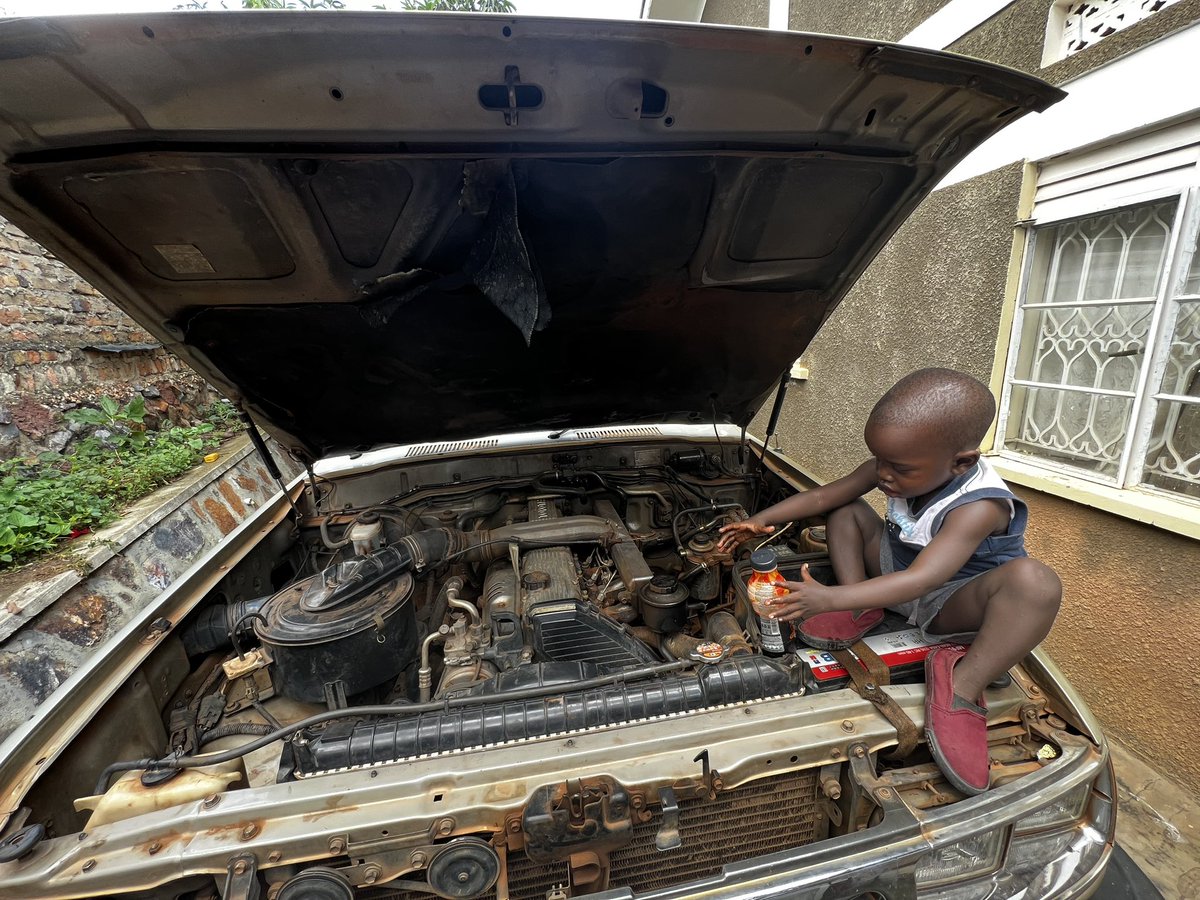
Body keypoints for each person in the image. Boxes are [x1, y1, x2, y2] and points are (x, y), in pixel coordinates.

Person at [717, 368, 1061, 794]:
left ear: (962, 462)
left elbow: (923, 580)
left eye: (897, 467)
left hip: (949, 602)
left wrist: (828, 598)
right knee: (845, 510)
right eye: (879, 459)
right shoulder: (906, 466)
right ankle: (861, 608)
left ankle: (962, 687)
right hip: (897, 576)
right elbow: (826, 496)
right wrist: (759, 521)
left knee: (1036, 582)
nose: (883, 475)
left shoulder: (980, 506)